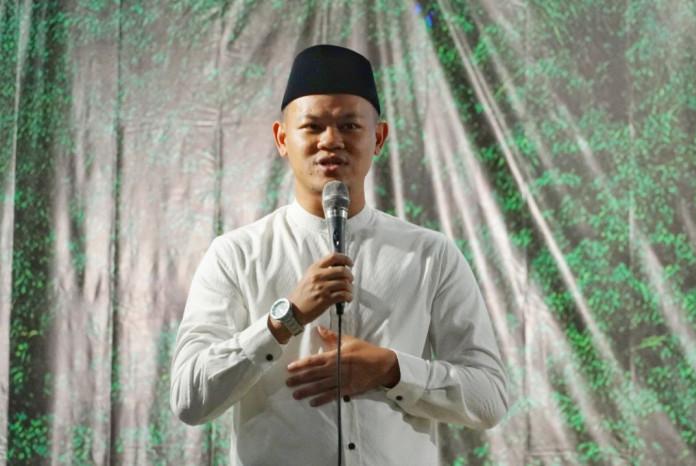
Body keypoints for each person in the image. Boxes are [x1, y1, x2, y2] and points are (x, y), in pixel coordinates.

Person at [170, 44, 508, 466]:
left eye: (349, 125)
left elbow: (489, 397)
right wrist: (284, 320)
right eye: (312, 127)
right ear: (282, 138)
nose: (330, 141)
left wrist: (391, 370)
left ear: (378, 137)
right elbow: (189, 399)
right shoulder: (236, 254)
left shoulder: (429, 254)